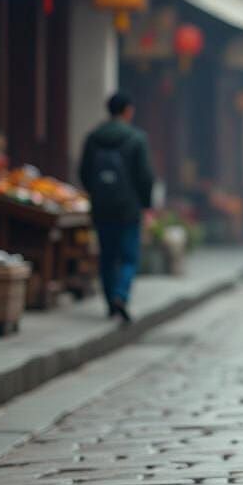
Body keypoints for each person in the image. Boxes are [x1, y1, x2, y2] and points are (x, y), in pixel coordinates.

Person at [78, 91, 154, 323]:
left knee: (107, 256)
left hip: (102, 207)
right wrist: (145, 204)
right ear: (128, 111)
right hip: (128, 208)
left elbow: (83, 171)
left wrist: (96, 194)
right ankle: (121, 294)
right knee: (129, 256)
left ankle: (110, 301)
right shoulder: (136, 138)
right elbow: (145, 176)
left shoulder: (93, 137)